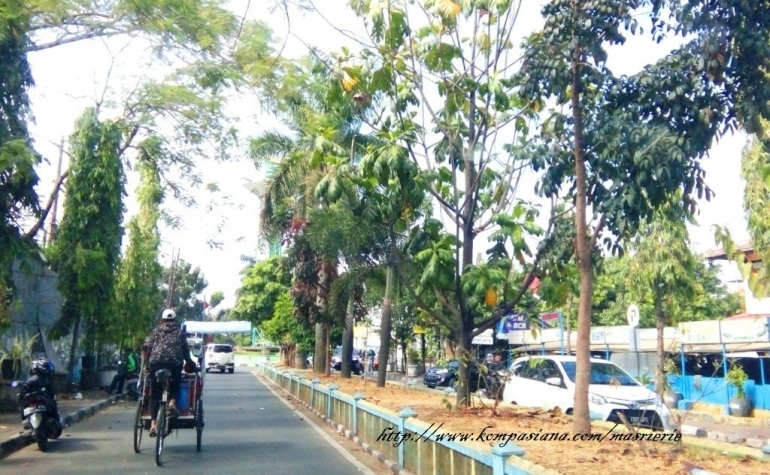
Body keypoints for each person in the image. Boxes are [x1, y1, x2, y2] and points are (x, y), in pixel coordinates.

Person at [146, 308, 196, 437]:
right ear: (175, 320)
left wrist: (147, 365)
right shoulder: (180, 333)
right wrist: (190, 363)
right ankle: (172, 403)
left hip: (155, 364)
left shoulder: (156, 331)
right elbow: (185, 352)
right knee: (175, 384)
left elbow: (150, 349)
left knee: (155, 394)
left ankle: (152, 425)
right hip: (174, 365)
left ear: (162, 319)